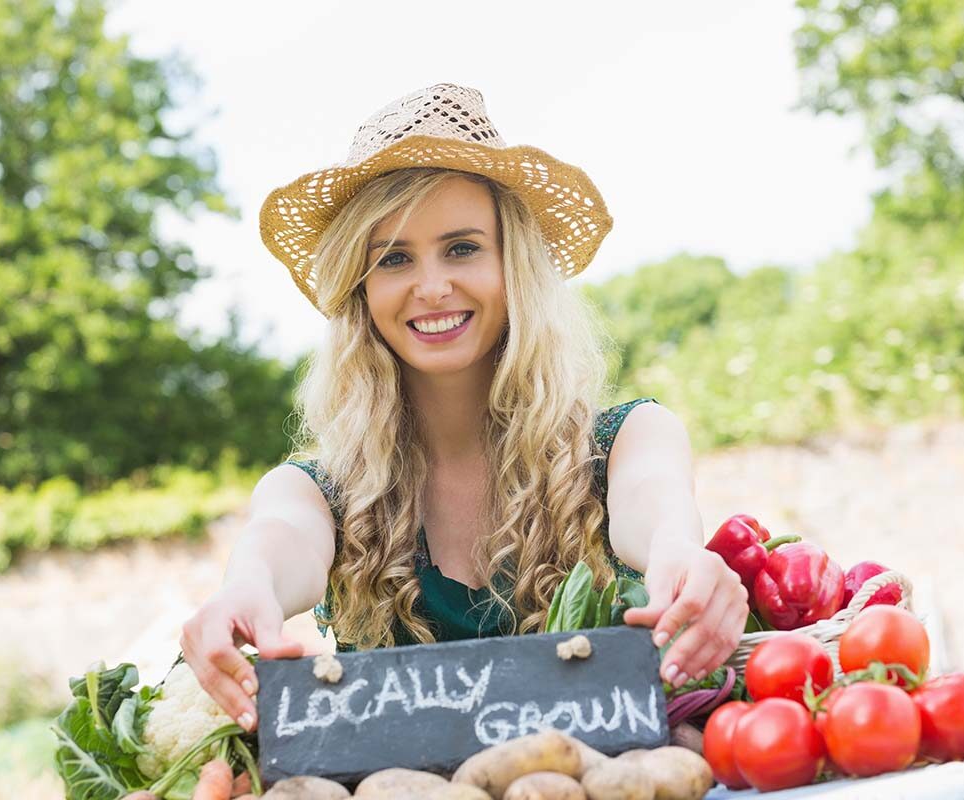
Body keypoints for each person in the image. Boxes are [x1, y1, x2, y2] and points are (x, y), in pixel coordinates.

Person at [181, 84, 748, 733]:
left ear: (515, 267)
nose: (430, 286)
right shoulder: (318, 494)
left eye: (462, 248)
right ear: (361, 291)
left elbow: (655, 501)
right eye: (393, 258)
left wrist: (678, 551)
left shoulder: (630, 440)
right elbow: (278, 541)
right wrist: (246, 587)